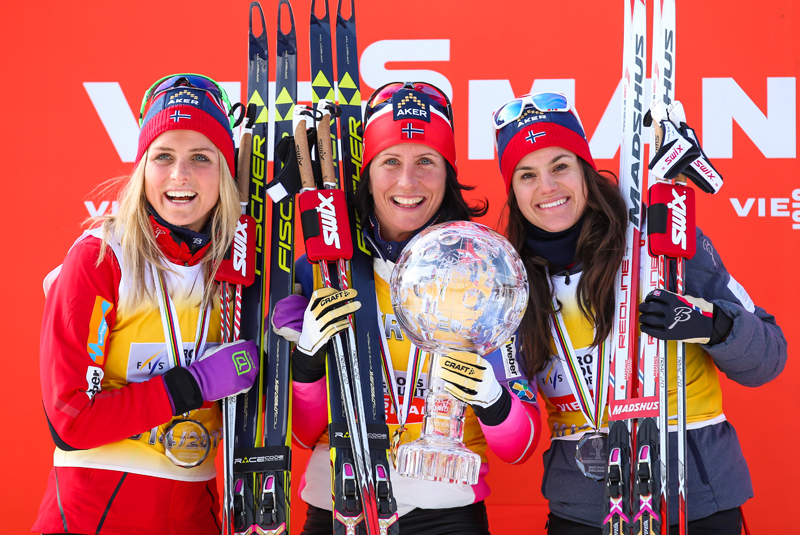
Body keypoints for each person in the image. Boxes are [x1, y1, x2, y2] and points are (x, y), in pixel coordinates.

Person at [492, 92, 787, 533]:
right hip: (584, 511)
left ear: (585, 171)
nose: (547, 188)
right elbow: (517, 417)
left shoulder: (659, 241)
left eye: (560, 166)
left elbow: (769, 357)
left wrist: (711, 324)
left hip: (694, 499)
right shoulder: (507, 280)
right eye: (527, 175)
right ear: (513, 191)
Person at [271, 82, 541, 535]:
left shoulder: (487, 271)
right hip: (341, 502)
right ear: (368, 171)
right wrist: (306, 365)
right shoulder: (324, 270)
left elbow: (520, 447)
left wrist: (493, 400)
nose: (407, 182)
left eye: (426, 162)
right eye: (391, 161)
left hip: (447, 514)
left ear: (448, 173)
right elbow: (301, 435)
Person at [33, 74, 259, 535]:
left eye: (201, 157)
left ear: (224, 171)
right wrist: (191, 385)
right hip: (95, 510)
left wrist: (300, 348)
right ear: (142, 170)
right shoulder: (102, 257)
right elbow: (70, 420)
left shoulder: (236, 264)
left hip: (195, 505)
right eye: (163, 156)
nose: (181, 174)